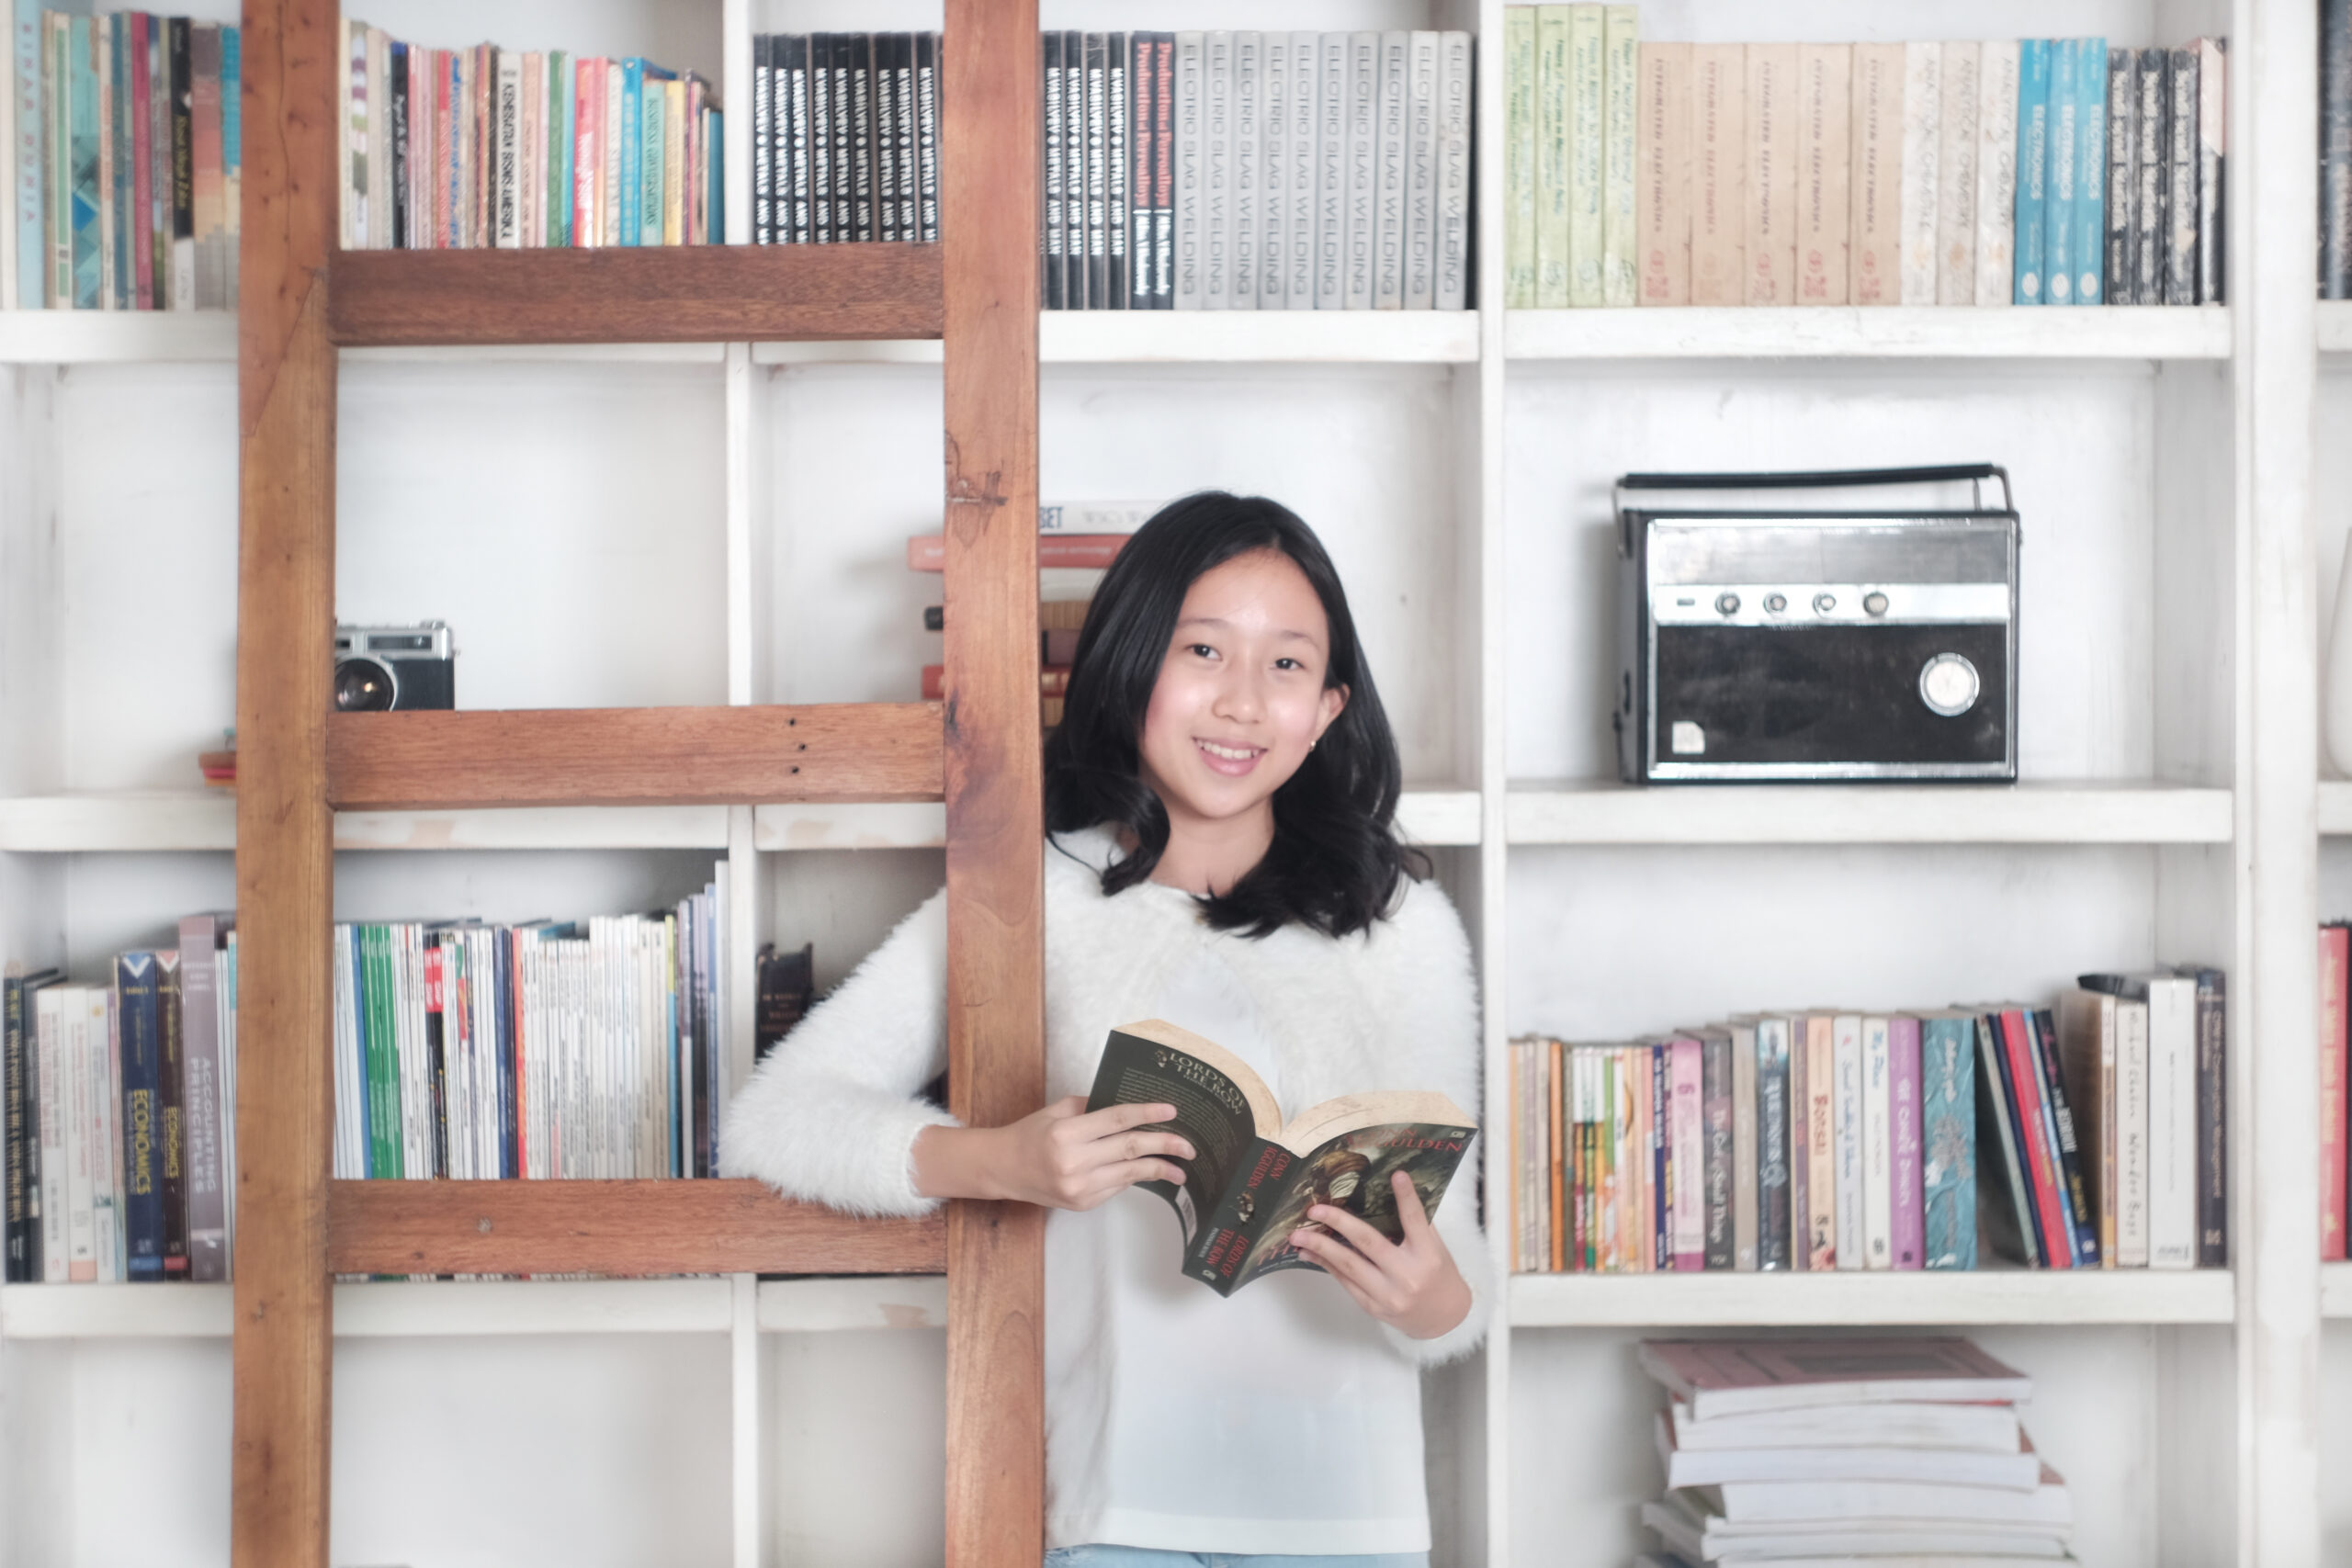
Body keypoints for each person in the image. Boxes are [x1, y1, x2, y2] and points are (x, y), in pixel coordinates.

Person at [721, 491, 1488, 1568]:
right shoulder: (1029, 895)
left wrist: (1435, 1299)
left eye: (1285, 665)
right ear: (1131, 667)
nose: (1241, 703)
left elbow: (1457, 1272)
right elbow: (774, 1120)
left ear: (1326, 709)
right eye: (1203, 651)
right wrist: (1003, 1161)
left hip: (1348, 1514)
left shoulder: (1395, 920)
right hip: (1110, 1510)